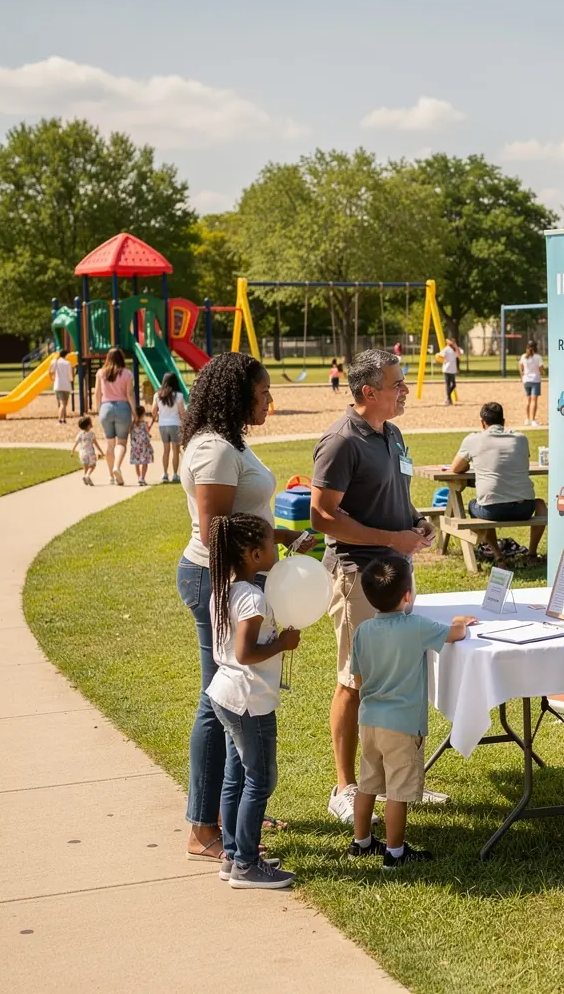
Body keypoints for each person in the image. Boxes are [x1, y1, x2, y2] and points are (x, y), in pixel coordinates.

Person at [177, 352, 314, 863]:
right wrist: (249, 578)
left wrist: (280, 536)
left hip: (241, 574)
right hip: (216, 581)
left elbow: (244, 517)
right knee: (221, 697)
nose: (268, 402)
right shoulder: (213, 449)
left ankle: (230, 814)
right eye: (261, 394)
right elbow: (218, 532)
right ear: (236, 396)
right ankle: (203, 826)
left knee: (227, 696)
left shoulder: (229, 442)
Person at [310, 349, 436, 826]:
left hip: (395, 571)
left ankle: (388, 782)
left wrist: (417, 523)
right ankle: (345, 787)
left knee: (393, 681)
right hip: (356, 575)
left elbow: (396, 495)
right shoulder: (341, 441)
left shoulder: (394, 433)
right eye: (397, 384)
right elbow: (322, 516)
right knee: (356, 681)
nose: (405, 390)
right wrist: (390, 538)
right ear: (369, 392)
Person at [348, 555, 476, 868]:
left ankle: (361, 842)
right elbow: (453, 635)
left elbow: (359, 678)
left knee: (367, 784)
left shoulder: (363, 631)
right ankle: (395, 853)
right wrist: (461, 622)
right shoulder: (416, 626)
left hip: (369, 721)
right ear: (408, 595)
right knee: (398, 790)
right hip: (402, 726)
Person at [206, 512, 300, 889]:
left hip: (225, 693)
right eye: (269, 542)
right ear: (251, 553)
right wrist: (283, 643)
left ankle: (233, 855)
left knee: (236, 776)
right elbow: (245, 653)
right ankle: (246, 864)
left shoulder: (224, 588)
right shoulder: (252, 598)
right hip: (249, 701)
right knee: (260, 779)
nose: (275, 545)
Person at [449, 402, 547, 564]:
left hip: (492, 511)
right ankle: (531, 554)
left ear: (482, 422)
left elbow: (455, 468)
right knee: (541, 504)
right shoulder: (521, 439)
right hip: (524, 508)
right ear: (504, 421)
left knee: (475, 503)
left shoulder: (473, 439)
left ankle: (498, 556)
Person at [94, 347, 136, 486]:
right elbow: (130, 394)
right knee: (121, 442)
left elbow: (97, 393)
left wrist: (98, 410)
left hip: (106, 408)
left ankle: (111, 475)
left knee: (109, 443)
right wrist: (135, 412)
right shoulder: (127, 373)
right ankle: (117, 467)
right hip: (123, 408)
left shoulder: (101, 373)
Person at [152, 372, 186, 483]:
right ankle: (175, 474)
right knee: (175, 450)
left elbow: (153, 410)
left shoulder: (158, 395)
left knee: (165, 450)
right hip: (175, 424)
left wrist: (156, 417)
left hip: (163, 425)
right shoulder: (179, 395)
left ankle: (165, 474)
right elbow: (182, 412)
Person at [71, 415, 104, 485]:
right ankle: (87, 475)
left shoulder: (80, 434)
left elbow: (76, 443)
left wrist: (73, 450)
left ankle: (85, 478)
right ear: (89, 425)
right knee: (93, 466)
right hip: (90, 453)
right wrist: (101, 452)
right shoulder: (92, 434)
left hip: (82, 453)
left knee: (85, 466)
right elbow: (96, 444)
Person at [518, 341, 544, 426]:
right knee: (533, 401)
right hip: (535, 380)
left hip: (526, 380)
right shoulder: (538, 357)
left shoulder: (523, 356)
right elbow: (541, 369)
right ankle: (533, 420)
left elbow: (520, 366)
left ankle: (527, 419)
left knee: (528, 400)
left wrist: (522, 375)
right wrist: (542, 372)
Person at [129, 405, 154, 486]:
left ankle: (139, 477)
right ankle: (142, 477)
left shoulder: (132, 424)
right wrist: (153, 421)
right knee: (145, 463)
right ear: (143, 414)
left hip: (136, 447)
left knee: (137, 462)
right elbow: (147, 431)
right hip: (144, 447)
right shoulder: (144, 423)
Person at [50, 353, 74, 425]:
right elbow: (70, 375)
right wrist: (72, 378)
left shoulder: (56, 362)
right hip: (66, 386)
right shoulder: (68, 363)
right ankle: (62, 419)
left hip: (58, 385)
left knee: (62, 404)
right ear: (66, 355)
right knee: (64, 404)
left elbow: (51, 371)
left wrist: (52, 378)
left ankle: (62, 420)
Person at [439, 338, 463, 404]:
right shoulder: (446, 349)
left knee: (454, 385)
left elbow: (460, 355)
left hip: (453, 370)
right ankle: (449, 399)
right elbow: (440, 356)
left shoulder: (456, 349)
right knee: (448, 385)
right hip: (446, 369)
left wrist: (455, 347)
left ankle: (448, 397)